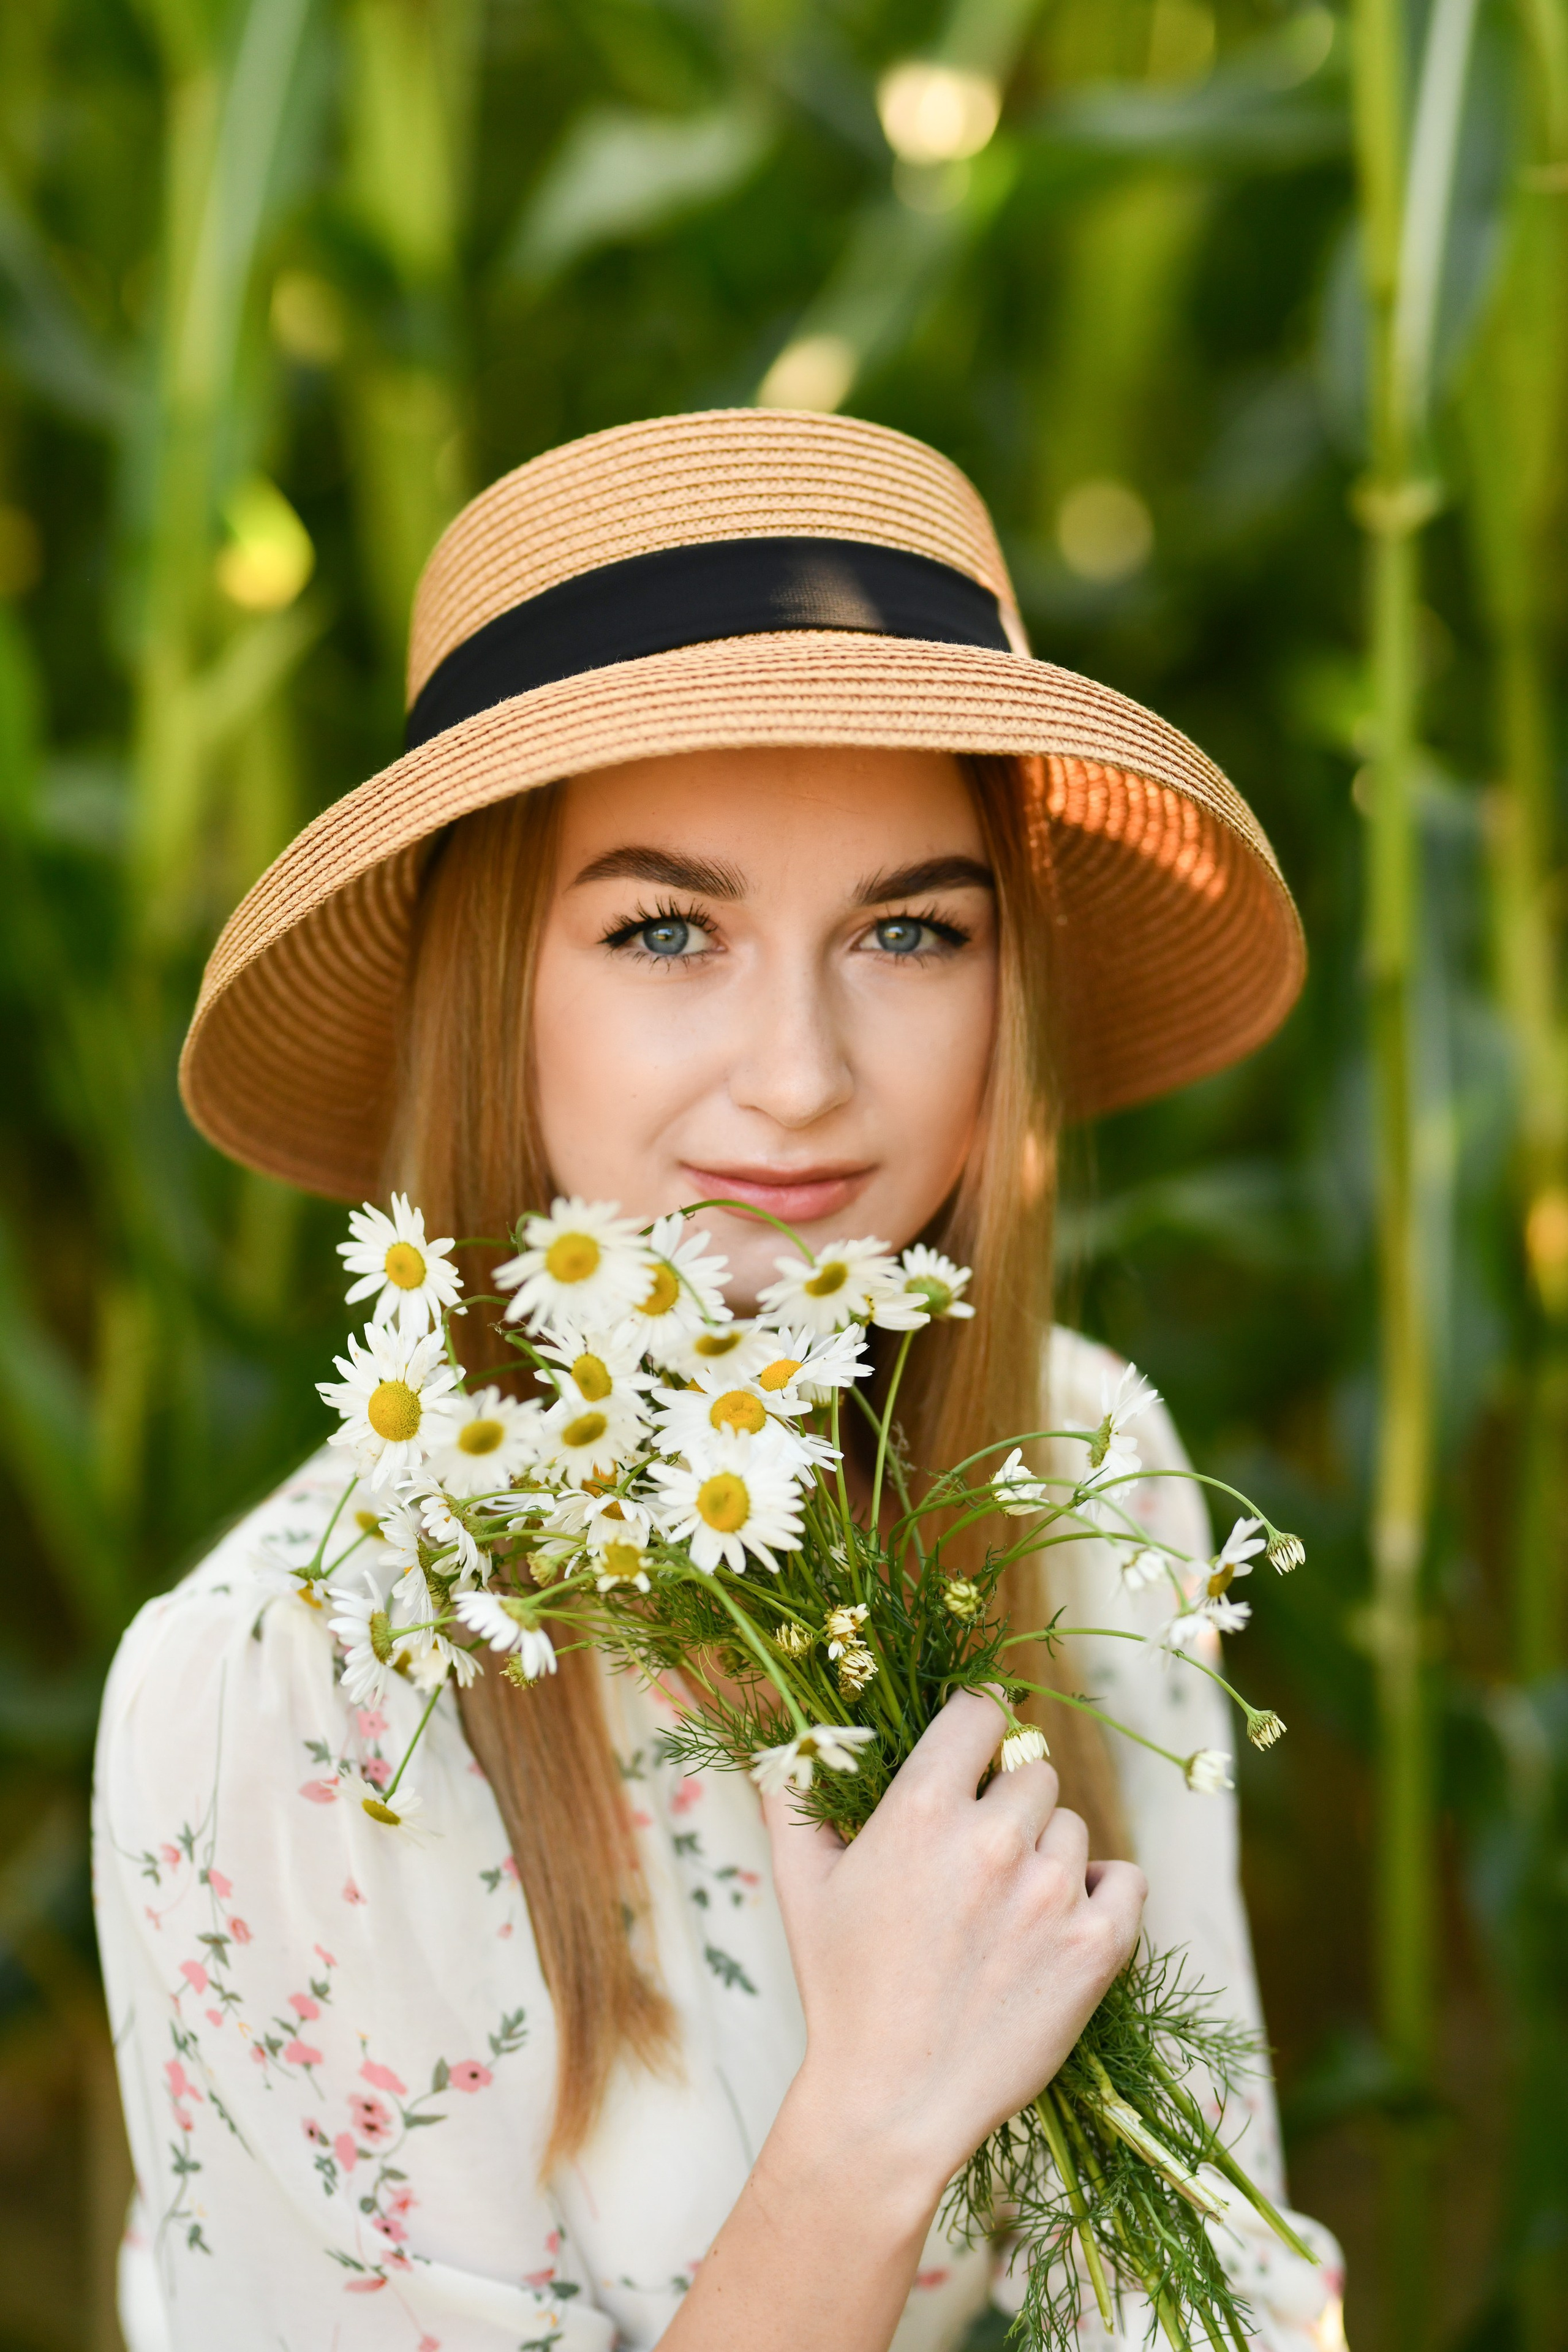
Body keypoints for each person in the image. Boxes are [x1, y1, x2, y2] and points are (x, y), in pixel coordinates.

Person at [93, 409, 1344, 2352]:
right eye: (665, 929)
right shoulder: (287, 1694)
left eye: (910, 931)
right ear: (491, 978)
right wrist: (871, 2129)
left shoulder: (1077, 1471)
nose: (800, 1075)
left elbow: (1213, 2282)